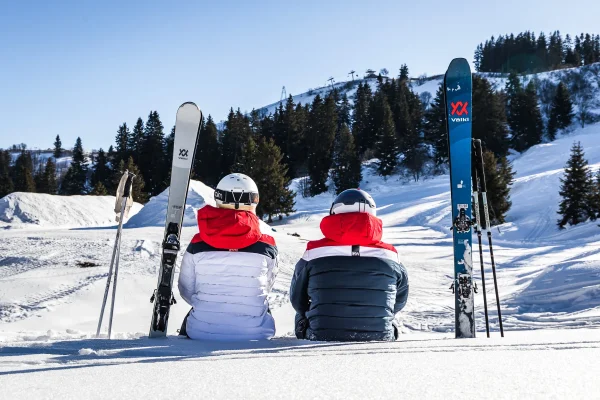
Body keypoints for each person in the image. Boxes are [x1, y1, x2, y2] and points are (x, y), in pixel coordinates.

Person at [290, 189, 409, 341]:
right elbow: (400, 299)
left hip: (320, 335)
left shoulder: (313, 253)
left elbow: (297, 300)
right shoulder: (391, 256)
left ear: (334, 213)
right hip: (380, 336)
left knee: (301, 313)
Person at [178, 173, 278, 340]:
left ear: (218, 199)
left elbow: (186, 290)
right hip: (255, 334)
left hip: (201, 332)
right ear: (254, 201)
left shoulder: (197, 244)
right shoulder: (267, 245)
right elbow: (267, 285)